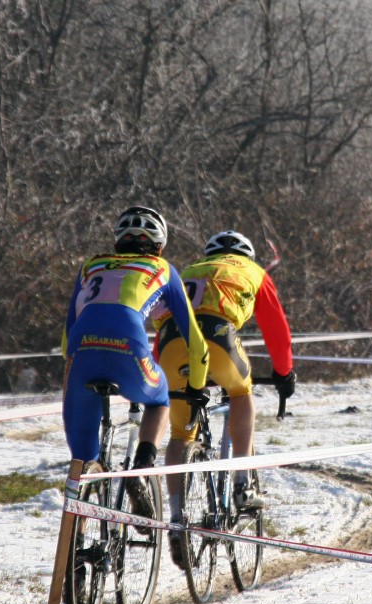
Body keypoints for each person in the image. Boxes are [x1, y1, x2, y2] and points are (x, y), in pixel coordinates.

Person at [155, 230, 296, 566]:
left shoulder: (189, 270)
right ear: (246, 254)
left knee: (180, 434)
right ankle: (243, 482)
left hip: (171, 346)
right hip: (219, 340)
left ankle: (176, 516)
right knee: (241, 392)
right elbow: (276, 330)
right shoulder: (254, 271)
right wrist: (284, 373)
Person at [61, 206, 209, 522]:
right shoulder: (163, 268)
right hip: (129, 346)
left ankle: (77, 539)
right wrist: (196, 386)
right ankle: (142, 465)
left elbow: (65, 340)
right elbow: (195, 342)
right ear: (159, 245)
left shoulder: (91, 265)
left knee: (81, 463)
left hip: (81, 351)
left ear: (117, 242)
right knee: (159, 399)